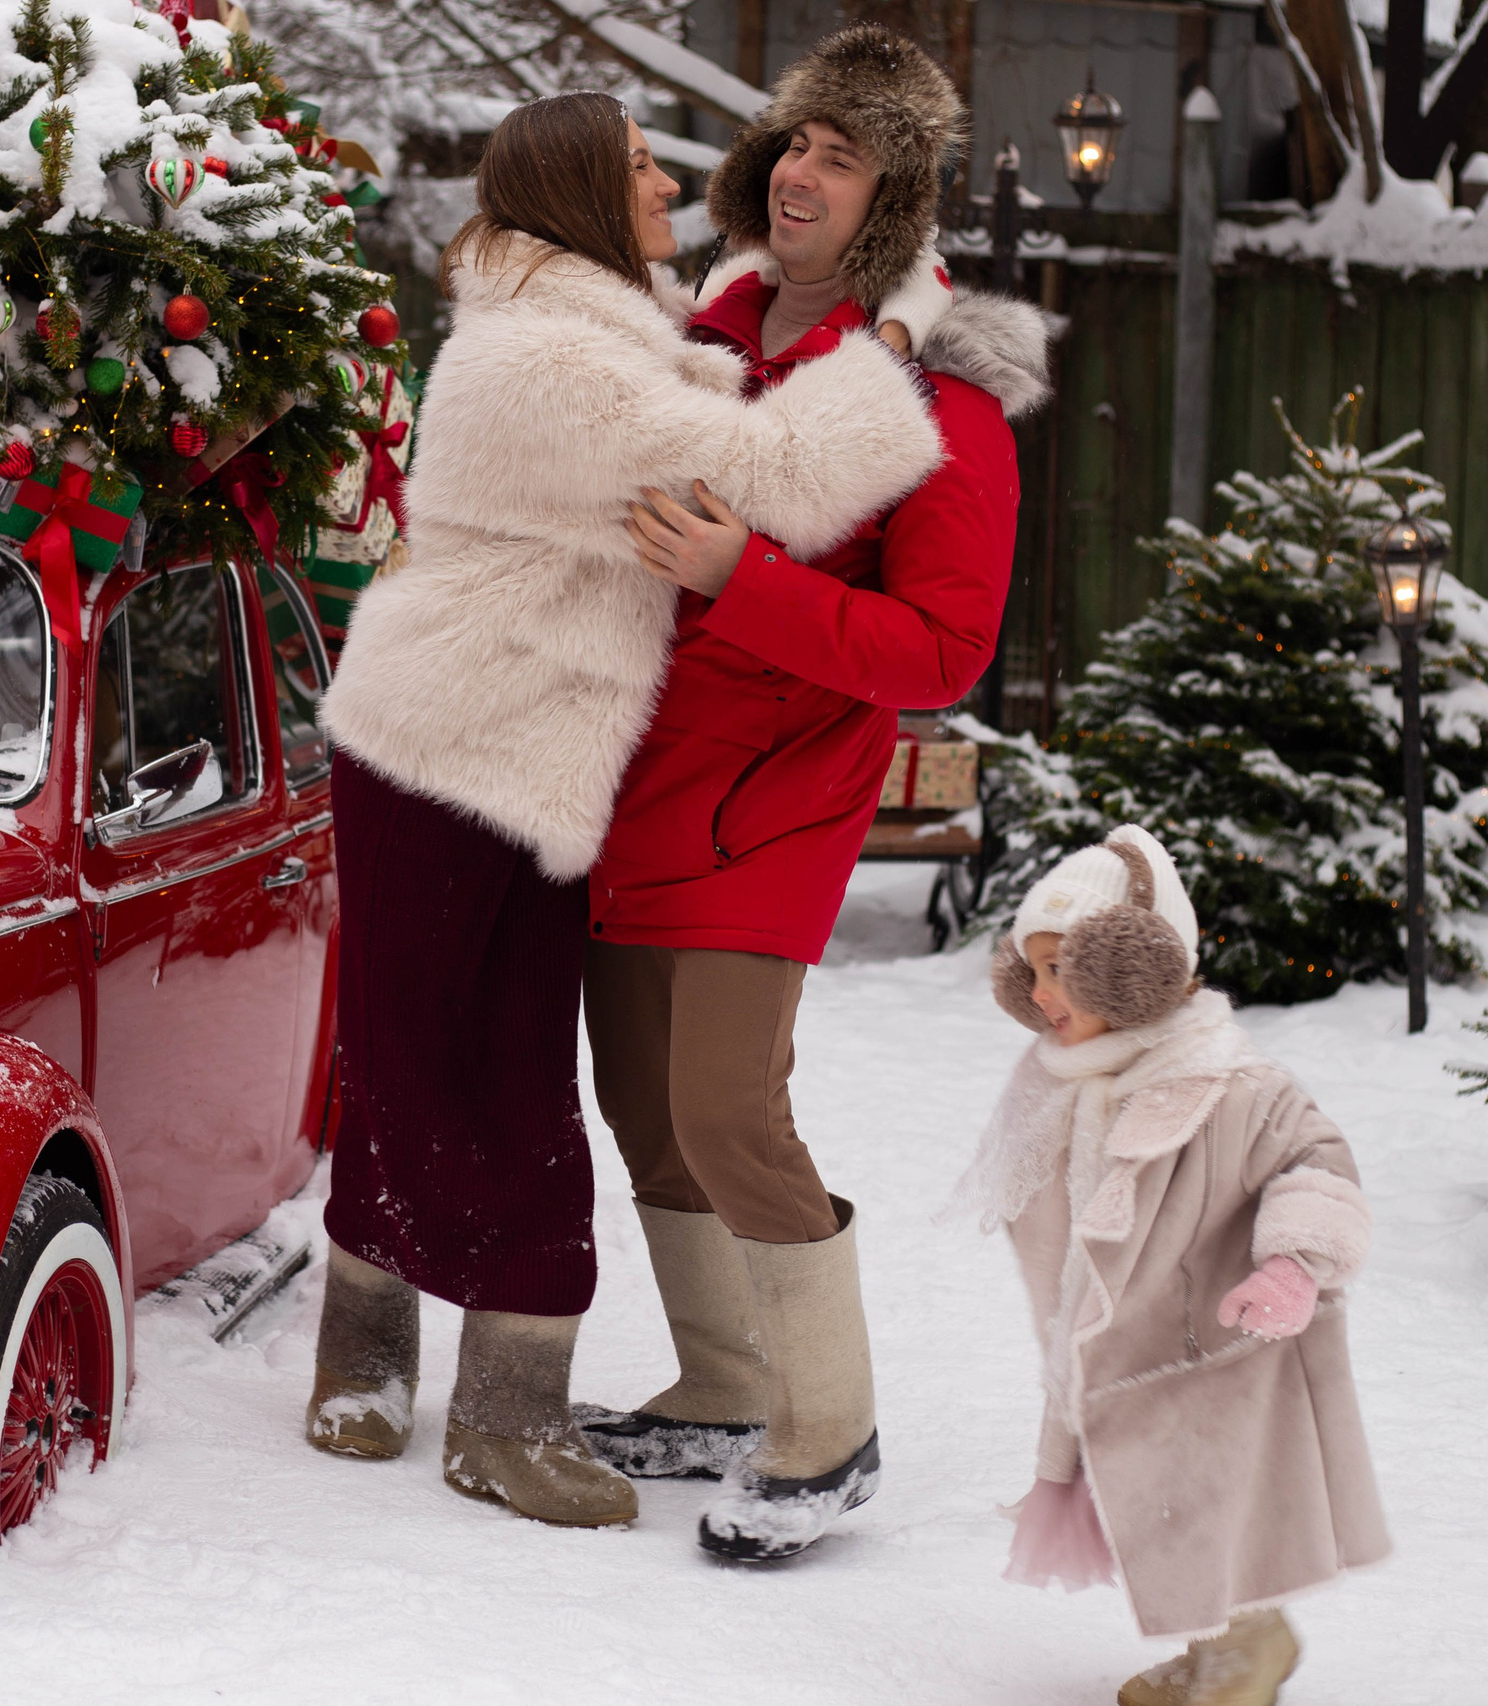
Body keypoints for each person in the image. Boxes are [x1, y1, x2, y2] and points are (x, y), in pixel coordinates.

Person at [306, 89, 954, 1528]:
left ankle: (382, 1357)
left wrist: (759, 314)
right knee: (459, 1061)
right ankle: (489, 1406)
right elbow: (780, 469)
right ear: (584, 199)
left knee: (472, 1055)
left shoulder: (588, 328)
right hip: (448, 744)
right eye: (636, 169)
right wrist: (897, 338)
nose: (670, 181)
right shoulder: (548, 364)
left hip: (519, 753)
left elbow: (704, 394)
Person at [572, 24, 1054, 1560]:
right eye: (796, 142)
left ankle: (829, 1429)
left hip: (772, 800)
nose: (802, 173)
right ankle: (722, 1378)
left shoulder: (935, 407)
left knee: (729, 1112)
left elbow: (939, 649)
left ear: (894, 201)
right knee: (643, 1106)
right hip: (634, 782)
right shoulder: (697, 344)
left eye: (844, 157)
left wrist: (743, 575)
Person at [970, 825, 1390, 1705]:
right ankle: (1211, 1650)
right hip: (1119, 1342)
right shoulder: (1065, 1077)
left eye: (1066, 970)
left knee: (1207, 1505)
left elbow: (1319, 1161)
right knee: (1154, 1510)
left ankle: (1247, 1649)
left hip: (1216, 1341)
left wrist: (1293, 1265)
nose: (1045, 994)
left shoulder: (1229, 1081)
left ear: (1135, 966)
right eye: (1034, 970)